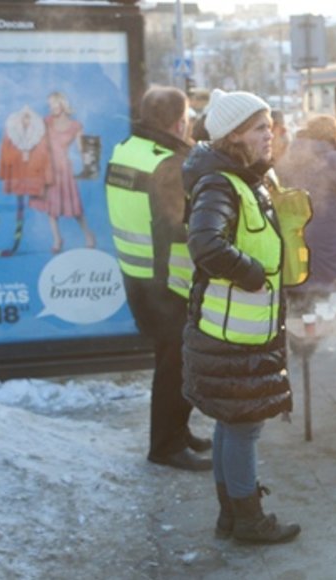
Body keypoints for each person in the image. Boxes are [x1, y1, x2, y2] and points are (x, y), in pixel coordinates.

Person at [181, 89, 301, 544]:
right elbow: (205, 243)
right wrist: (251, 274)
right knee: (243, 427)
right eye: (259, 128)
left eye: (269, 126)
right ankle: (248, 519)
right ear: (234, 136)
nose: (269, 134)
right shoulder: (221, 183)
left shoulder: (243, 178)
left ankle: (231, 515)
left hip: (235, 329)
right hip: (232, 333)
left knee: (230, 425)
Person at [104, 86, 212, 472]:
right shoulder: (167, 163)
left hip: (139, 276)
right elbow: (180, 226)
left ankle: (177, 432)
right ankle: (166, 446)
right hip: (168, 281)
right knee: (175, 366)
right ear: (180, 121)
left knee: (168, 360)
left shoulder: (127, 149)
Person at [275, 115, 336, 313]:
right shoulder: (332, 159)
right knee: (317, 302)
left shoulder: (289, 155)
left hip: (291, 235)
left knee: (294, 292)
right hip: (323, 240)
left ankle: (295, 336)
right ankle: (306, 340)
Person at [32, 91, 96, 253]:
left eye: (55, 104)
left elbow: (82, 148)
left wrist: (89, 162)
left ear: (62, 104)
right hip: (48, 169)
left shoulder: (75, 126)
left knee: (74, 208)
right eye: (50, 105)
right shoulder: (46, 122)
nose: (52, 107)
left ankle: (88, 235)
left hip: (64, 170)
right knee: (51, 208)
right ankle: (57, 239)